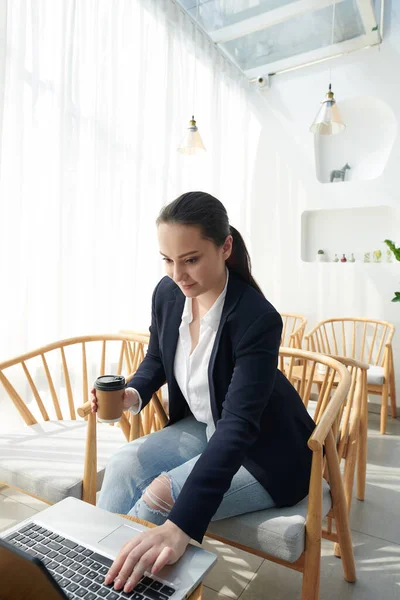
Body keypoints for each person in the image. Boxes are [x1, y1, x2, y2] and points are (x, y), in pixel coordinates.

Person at [91, 191, 315, 594]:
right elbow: (157, 359)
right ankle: (93, 568)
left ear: (225, 246)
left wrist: (180, 527)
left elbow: (239, 427)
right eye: (167, 259)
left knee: (163, 497)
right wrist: (132, 394)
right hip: (205, 421)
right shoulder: (168, 293)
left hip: (266, 448)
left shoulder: (256, 318)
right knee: (124, 462)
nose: (178, 274)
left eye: (191, 259)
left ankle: (118, 587)